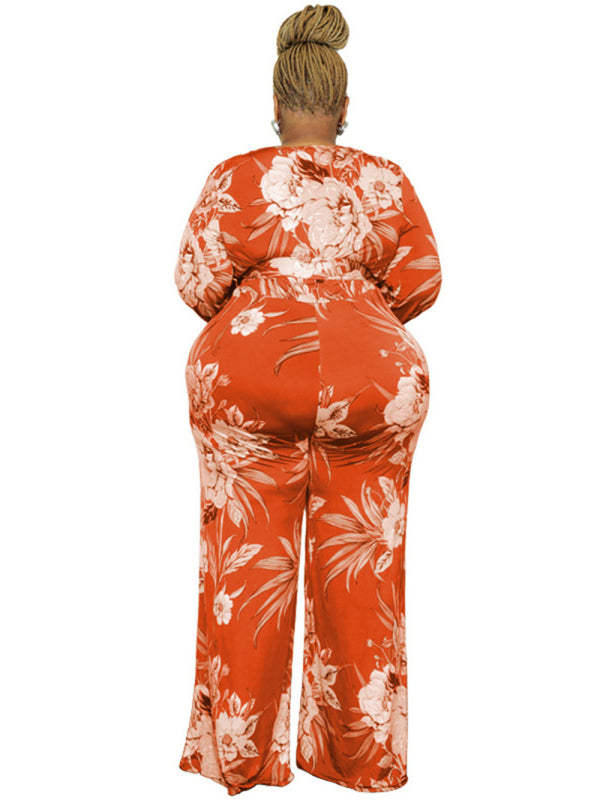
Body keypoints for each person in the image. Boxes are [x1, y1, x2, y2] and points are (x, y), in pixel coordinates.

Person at [173, 4, 442, 795]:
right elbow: (422, 281)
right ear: (344, 107)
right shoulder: (385, 180)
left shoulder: (235, 176)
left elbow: (196, 283)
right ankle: (360, 759)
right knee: (364, 563)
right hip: (373, 385)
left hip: (252, 381)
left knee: (245, 564)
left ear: (275, 103)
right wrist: (353, 310)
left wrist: (271, 302)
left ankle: (240, 756)